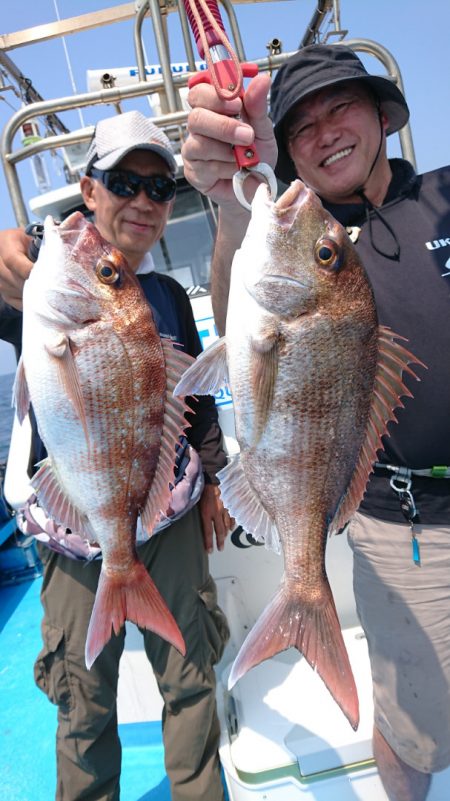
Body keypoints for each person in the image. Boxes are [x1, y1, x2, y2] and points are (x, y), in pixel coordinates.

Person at [181, 43, 450, 801]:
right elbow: (243, 281)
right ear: (286, 152)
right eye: (302, 126)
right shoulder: (304, 234)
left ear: (381, 116)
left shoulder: (445, 195)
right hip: (409, 526)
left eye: (342, 107)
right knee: (417, 725)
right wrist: (233, 202)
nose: (326, 130)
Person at [0, 109, 232, 801]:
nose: (142, 201)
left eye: (160, 189)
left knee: (192, 682)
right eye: (124, 181)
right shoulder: (38, 289)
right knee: (83, 696)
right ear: (88, 188)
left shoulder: (162, 295)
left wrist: (214, 477)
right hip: (75, 533)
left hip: (167, 517)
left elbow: (195, 398)